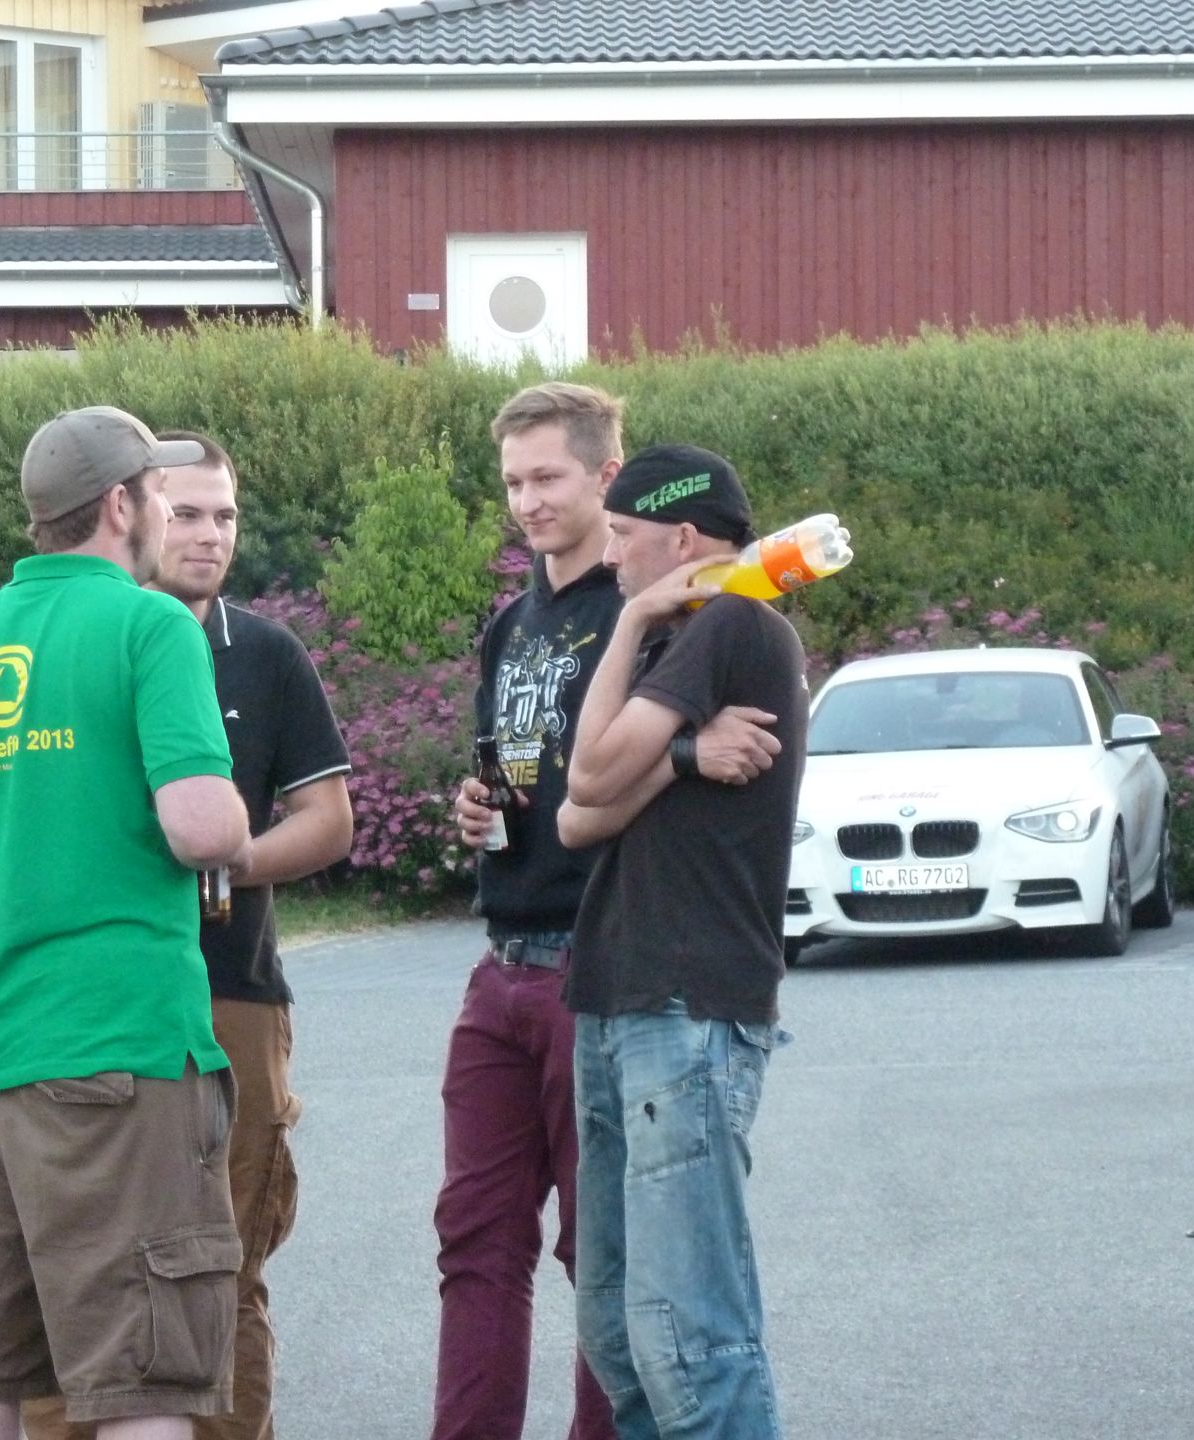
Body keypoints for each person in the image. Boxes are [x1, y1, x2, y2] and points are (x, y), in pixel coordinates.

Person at [0, 406, 254, 1440]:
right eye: (159, 496)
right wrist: (238, 825)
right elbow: (198, 826)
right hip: (115, 1055)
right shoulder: (153, 627)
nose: (171, 518)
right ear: (119, 506)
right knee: (144, 1373)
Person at [439, 388, 780, 1440]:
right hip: (510, 957)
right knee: (481, 1243)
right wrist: (480, 808)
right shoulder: (512, 627)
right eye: (512, 483)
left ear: (606, 478)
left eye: (547, 477)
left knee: (637, 1284)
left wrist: (672, 749)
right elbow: (537, 784)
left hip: (611, 958)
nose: (526, 501)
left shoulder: (677, 614)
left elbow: (601, 784)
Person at [22, 431, 353, 1440]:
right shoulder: (67, 642)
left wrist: (227, 862)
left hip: (231, 991)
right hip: (86, 1000)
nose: (210, 535)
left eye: (227, 515)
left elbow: (329, 820)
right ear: (132, 508)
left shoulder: (267, 654)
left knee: (224, 1266)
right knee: (68, 1273)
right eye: (189, 512)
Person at [558, 444, 807, 1440]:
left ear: (684, 538)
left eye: (623, 536)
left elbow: (591, 775)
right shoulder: (678, 644)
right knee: (619, 1335)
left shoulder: (734, 622)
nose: (611, 556)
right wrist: (683, 757)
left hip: (686, 1006)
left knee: (690, 1341)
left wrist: (627, 631)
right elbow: (575, 815)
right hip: (617, 999)